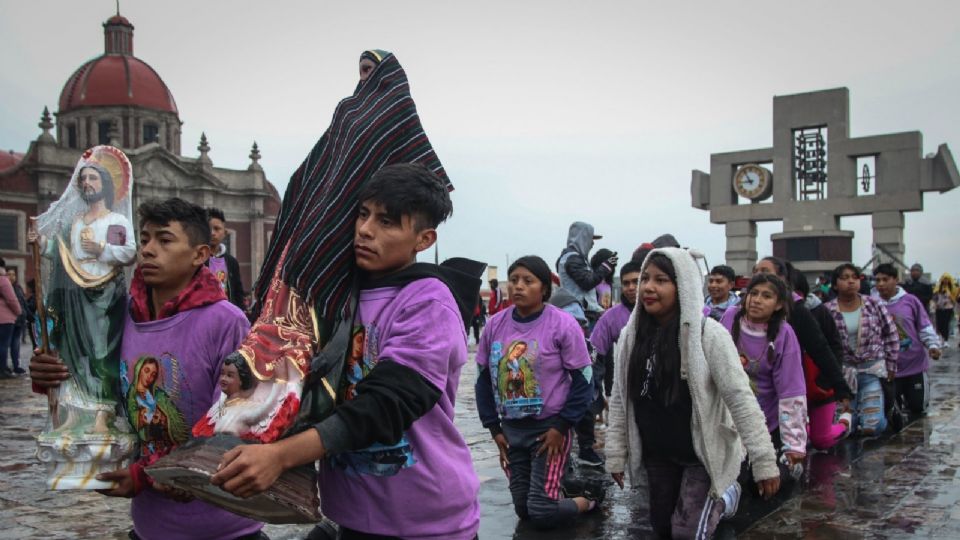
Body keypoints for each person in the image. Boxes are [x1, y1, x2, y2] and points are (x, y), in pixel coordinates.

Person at [212, 164, 481, 540]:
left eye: (387, 222)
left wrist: (281, 456)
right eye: (363, 214)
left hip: (424, 520)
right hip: (349, 515)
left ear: (424, 240)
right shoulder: (335, 296)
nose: (366, 230)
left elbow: (387, 404)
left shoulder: (427, 301)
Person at [31, 197, 262, 539]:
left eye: (165, 240)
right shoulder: (117, 316)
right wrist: (51, 375)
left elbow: (231, 423)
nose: (149, 249)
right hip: (149, 526)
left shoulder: (226, 322)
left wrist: (145, 476)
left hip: (223, 526)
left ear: (200, 254)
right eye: (146, 238)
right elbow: (93, 382)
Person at [606, 249, 779, 539]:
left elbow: (741, 398)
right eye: (645, 279)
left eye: (661, 280)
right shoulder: (630, 336)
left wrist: (763, 461)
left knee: (687, 534)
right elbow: (621, 397)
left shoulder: (709, 335)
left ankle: (724, 493)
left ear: (682, 285)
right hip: (657, 452)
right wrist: (615, 452)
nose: (647, 287)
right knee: (661, 528)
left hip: (702, 455)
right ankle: (721, 499)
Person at [476, 255, 601, 528]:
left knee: (542, 512)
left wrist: (562, 426)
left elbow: (584, 379)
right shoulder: (494, 326)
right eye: (514, 280)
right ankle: (563, 491)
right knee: (524, 509)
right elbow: (483, 379)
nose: (518, 286)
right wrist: (493, 428)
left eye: (528, 281)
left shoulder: (563, 324)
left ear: (544, 288)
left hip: (550, 430)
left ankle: (590, 499)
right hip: (511, 431)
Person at [29, 146, 137, 433]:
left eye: (94, 179)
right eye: (84, 179)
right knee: (74, 354)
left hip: (104, 294)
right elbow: (61, 251)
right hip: (75, 295)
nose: (88, 183)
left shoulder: (115, 221)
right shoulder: (75, 222)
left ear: (106, 185)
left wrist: (101, 248)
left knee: (101, 352)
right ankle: (75, 410)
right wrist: (41, 244)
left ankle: (102, 411)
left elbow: (127, 253)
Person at [754, 257, 853, 450]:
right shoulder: (740, 312)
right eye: (755, 271)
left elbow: (821, 347)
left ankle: (845, 423)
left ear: (782, 278)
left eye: (764, 271)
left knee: (820, 440)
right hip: (764, 389)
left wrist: (839, 385)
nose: (758, 275)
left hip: (803, 384)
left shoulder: (800, 311)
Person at [720, 273, 808, 478]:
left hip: (764, 419)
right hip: (727, 416)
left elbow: (790, 390)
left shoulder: (784, 334)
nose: (757, 300)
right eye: (754, 293)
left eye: (767, 296)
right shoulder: (731, 317)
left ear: (778, 305)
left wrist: (793, 444)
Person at [825, 264, 899, 435]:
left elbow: (891, 334)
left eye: (854, 277)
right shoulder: (827, 310)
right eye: (844, 278)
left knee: (872, 427)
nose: (850, 281)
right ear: (835, 285)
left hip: (871, 370)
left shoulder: (874, 304)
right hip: (844, 375)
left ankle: (888, 414)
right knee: (845, 429)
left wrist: (892, 365)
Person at [873, 263, 941, 419]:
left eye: (885, 279)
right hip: (887, 370)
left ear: (896, 280)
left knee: (918, 409)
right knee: (890, 414)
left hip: (914, 366)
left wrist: (933, 345)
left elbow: (924, 326)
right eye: (877, 280)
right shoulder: (871, 304)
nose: (881, 284)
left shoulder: (910, 301)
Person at [591, 261, 641, 403]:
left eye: (636, 282)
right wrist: (595, 393)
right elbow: (595, 354)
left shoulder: (661, 311)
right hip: (628, 389)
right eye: (626, 283)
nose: (631, 288)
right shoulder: (610, 317)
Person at [555, 221, 618, 324]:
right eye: (590, 239)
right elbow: (587, 282)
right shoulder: (572, 258)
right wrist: (606, 266)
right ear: (581, 238)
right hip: (578, 315)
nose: (592, 243)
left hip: (581, 312)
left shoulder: (574, 258)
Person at [205, 207, 245, 309]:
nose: (212, 233)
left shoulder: (231, 262)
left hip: (228, 315)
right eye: (208, 229)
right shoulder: (197, 259)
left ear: (225, 232)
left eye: (217, 229)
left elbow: (238, 292)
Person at [0, 259, 23, 378]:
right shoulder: (3, 280)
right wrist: (18, 311)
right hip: (5, 318)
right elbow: (11, 299)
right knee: (3, 344)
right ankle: (2, 369)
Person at [932, 273, 958, 345]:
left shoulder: (952, 288)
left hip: (948, 308)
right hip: (939, 308)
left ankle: (946, 340)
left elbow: (954, 299)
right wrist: (935, 303)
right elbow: (934, 297)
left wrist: (949, 295)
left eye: (947, 279)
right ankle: (941, 339)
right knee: (939, 324)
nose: (945, 280)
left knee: (945, 324)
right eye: (944, 279)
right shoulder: (938, 287)